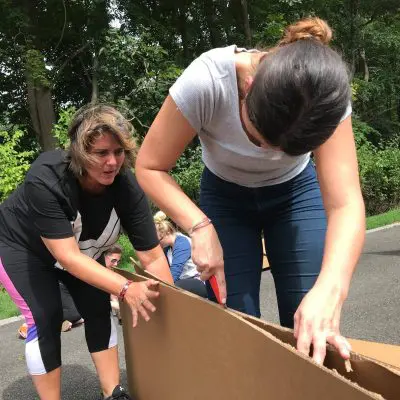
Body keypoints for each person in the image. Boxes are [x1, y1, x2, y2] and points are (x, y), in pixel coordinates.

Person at [135, 17, 366, 366]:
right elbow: (149, 166)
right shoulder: (207, 81)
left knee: (311, 318)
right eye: (259, 140)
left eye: (285, 149)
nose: (270, 154)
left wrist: (331, 289)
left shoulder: (326, 98)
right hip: (225, 199)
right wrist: (198, 226)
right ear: (249, 85)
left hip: (296, 196)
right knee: (238, 322)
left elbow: (346, 203)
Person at [0, 104, 173, 400]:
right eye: (101, 153)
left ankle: (112, 392)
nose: (111, 163)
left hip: (78, 249)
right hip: (22, 245)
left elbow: (153, 256)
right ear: (80, 152)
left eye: (118, 152)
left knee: (97, 307)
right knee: (46, 315)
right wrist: (126, 287)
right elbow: (67, 258)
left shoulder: (128, 188)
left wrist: (175, 307)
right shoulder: (47, 178)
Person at [153, 211, 207, 298]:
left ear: (167, 233)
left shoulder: (182, 243)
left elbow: (174, 272)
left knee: (174, 287)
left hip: (199, 280)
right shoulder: (168, 248)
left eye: (160, 240)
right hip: (185, 279)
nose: (159, 245)